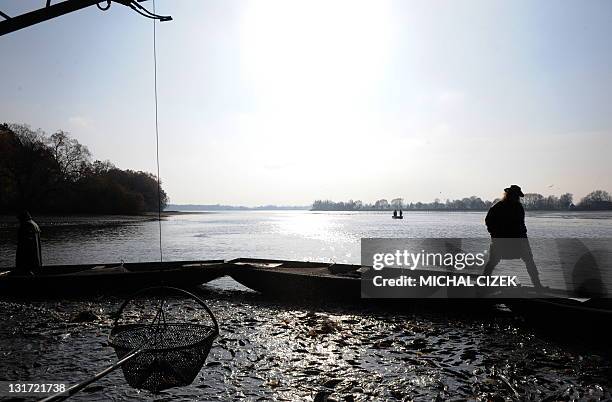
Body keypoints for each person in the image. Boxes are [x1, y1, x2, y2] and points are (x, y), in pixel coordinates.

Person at [483, 185, 542, 288]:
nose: (517, 198)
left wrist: (524, 239)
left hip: (519, 241)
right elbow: (488, 222)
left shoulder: (518, 207)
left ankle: (537, 285)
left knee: (529, 260)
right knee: (493, 262)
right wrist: (494, 235)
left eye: (518, 196)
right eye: (516, 195)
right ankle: (483, 284)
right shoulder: (498, 207)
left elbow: (521, 224)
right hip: (501, 241)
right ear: (509, 195)